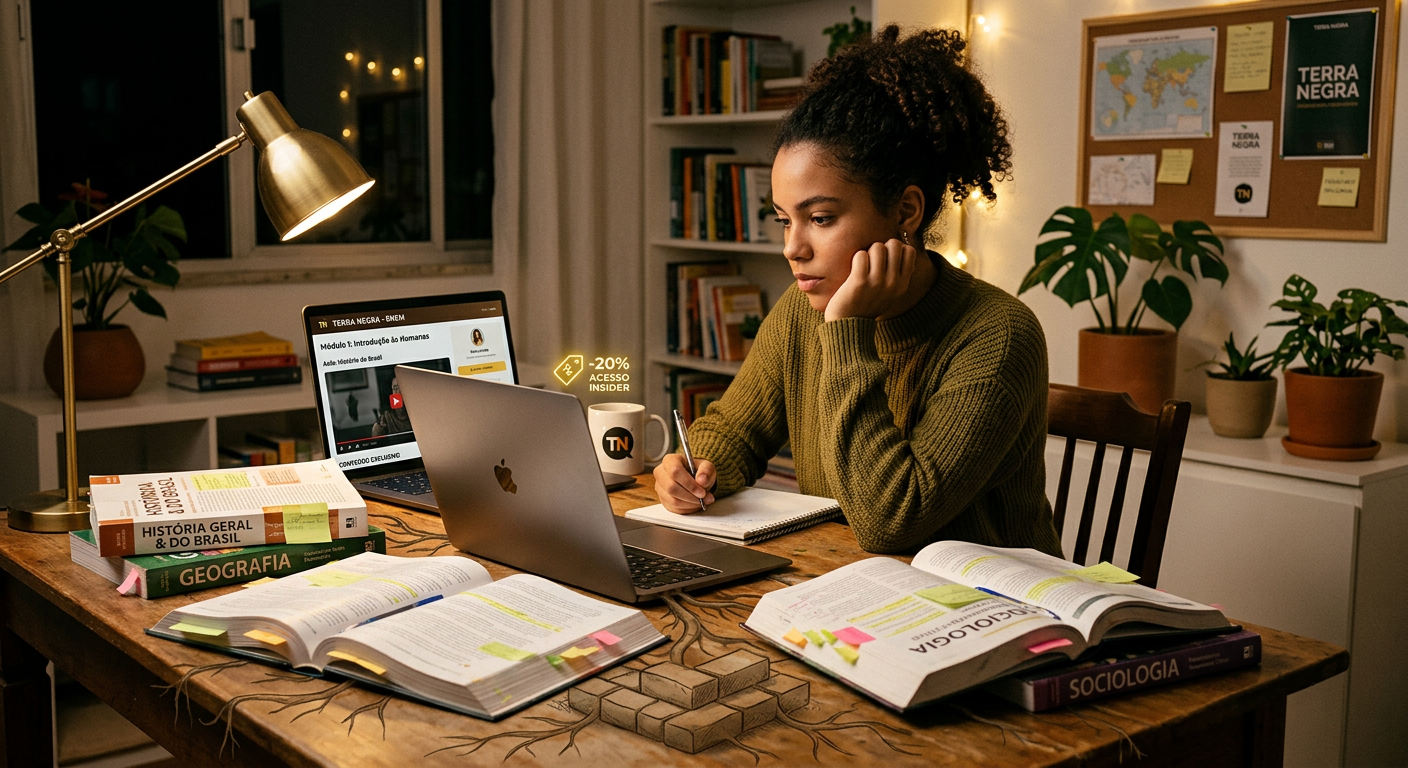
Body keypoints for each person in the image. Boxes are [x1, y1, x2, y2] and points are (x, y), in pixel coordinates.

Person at [653, 25, 1062, 557]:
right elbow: (735, 430)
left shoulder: (998, 334)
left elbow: (890, 521)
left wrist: (847, 330)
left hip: (996, 610)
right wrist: (692, 470)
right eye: (784, 220)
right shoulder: (803, 310)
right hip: (854, 590)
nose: (792, 248)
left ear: (905, 211)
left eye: (820, 218)